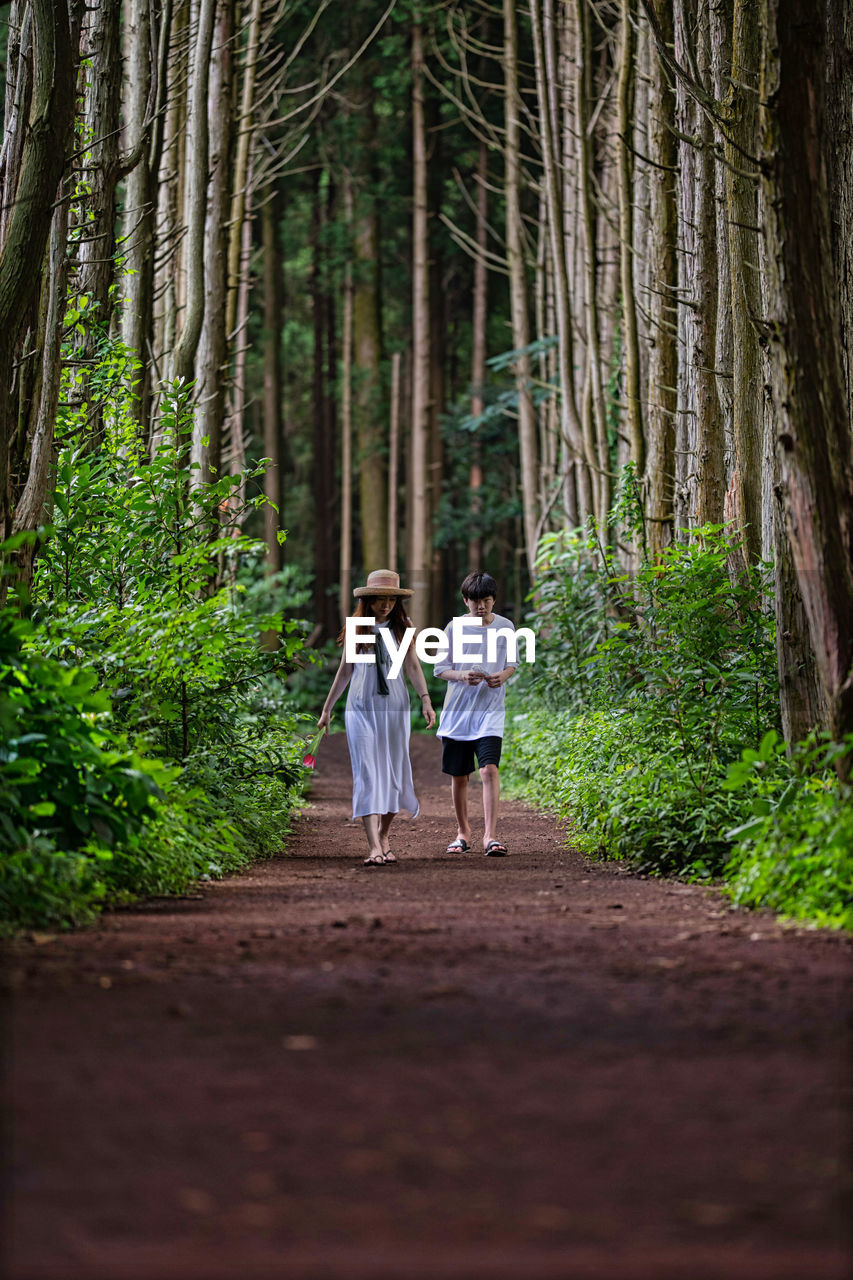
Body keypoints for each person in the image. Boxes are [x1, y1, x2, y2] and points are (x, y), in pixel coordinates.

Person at [317, 569, 436, 867]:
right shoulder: (357, 627)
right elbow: (345, 671)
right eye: (379, 599)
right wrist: (327, 708)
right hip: (360, 707)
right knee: (368, 774)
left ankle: (384, 835)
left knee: (395, 773)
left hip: (395, 708)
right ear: (367, 601)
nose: (385, 605)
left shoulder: (403, 628)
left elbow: (412, 667)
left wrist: (426, 700)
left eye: (390, 600)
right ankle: (373, 847)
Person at [434, 571, 517, 856]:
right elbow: (439, 669)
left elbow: (511, 663)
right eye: (475, 601)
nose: (481, 606)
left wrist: (503, 676)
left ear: (494, 600)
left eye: (486, 600)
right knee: (459, 776)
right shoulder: (453, 629)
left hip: (490, 711)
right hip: (457, 712)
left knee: (488, 769)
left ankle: (491, 836)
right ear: (466, 600)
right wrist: (461, 675)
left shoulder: (506, 627)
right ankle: (463, 832)